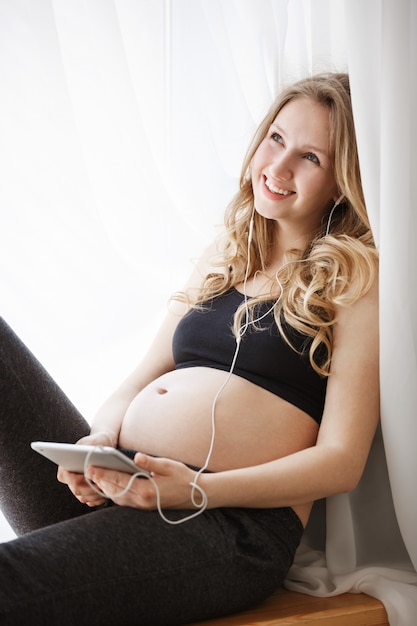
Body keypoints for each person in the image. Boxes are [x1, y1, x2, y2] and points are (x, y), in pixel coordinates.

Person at [0, 72, 379, 625]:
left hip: (218, 524)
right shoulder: (224, 256)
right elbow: (138, 379)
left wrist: (197, 490)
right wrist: (98, 442)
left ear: (341, 180)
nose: (278, 167)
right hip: (121, 487)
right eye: (275, 138)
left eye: (310, 157)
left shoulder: (351, 283)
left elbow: (341, 461)